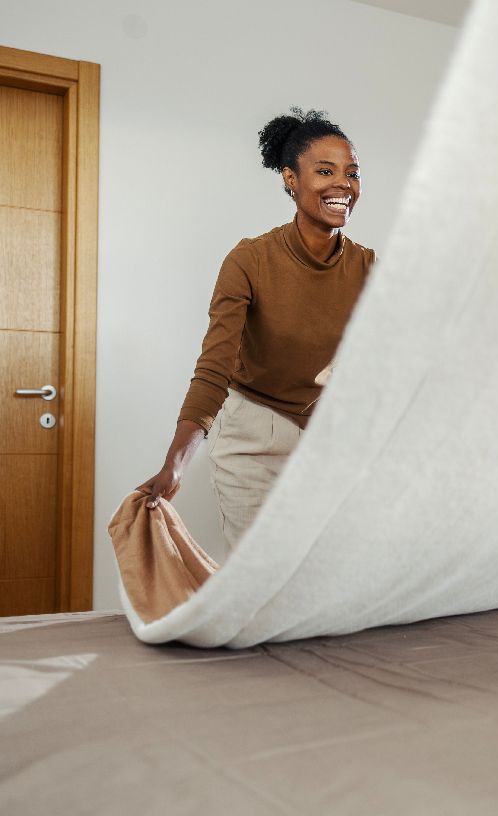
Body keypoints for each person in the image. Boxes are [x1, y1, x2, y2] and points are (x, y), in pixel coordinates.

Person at [137, 107, 376, 552]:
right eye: (325, 171)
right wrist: (176, 463)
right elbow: (214, 369)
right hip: (253, 437)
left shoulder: (369, 268)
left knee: (321, 582)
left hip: (325, 439)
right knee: (258, 585)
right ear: (290, 178)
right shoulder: (249, 261)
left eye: (352, 173)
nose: (344, 184)